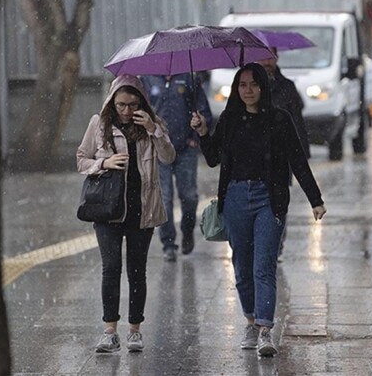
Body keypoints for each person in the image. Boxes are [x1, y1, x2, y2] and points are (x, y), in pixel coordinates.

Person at [190, 63, 326, 357]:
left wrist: (315, 199)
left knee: (263, 264)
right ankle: (250, 321)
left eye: (253, 84)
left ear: (263, 88)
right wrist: (202, 132)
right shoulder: (229, 120)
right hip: (236, 197)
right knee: (241, 265)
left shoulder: (279, 119)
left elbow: (298, 161)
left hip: (270, 199)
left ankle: (265, 330)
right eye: (242, 85)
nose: (248, 90)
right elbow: (213, 158)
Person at [76, 74, 175, 353]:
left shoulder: (153, 126)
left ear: (142, 103)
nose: (127, 111)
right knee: (111, 268)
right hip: (108, 209)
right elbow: (81, 159)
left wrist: (154, 129)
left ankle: (134, 330)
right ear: (112, 102)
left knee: (136, 270)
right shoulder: (99, 124)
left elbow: (169, 157)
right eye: (121, 105)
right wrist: (104, 162)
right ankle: (109, 330)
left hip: (142, 210)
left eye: (133, 105)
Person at [141, 73, 213, 262]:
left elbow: (205, 112)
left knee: (189, 196)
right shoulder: (147, 79)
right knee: (164, 198)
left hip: (185, 149)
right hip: (159, 149)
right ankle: (168, 243)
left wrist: (195, 136)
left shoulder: (190, 77)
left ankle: (187, 231)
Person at [257, 49, 310, 158]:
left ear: (276, 57)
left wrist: (301, 152)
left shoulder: (287, 87)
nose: (267, 62)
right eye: (263, 57)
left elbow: (297, 122)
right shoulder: (247, 88)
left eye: (270, 57)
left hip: (281, 154)